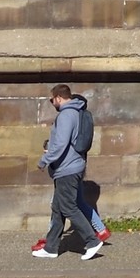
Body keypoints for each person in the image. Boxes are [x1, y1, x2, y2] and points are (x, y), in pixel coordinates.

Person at [33, 84, 105, 259]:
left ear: (58, 97)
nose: (53, 103)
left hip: (67, 169)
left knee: (68, 207)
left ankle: (92, 241)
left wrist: (44, 160)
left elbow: (61, 143)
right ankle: (51, 248)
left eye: (52, 100)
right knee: (58, 208)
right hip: (72, 166)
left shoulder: (66, 115)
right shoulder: (77, 113)